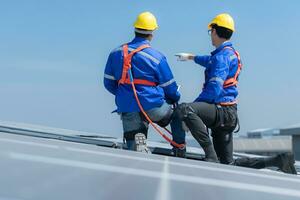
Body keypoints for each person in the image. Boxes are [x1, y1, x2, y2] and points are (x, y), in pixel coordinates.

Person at [175, 13, 297, 174]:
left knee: (185, 109)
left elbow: (214, 89)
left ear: (215, 31)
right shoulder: (228, 54)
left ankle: (211, 156)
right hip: (229, 115)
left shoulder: (221, 57)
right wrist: (191, 57)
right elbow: (208, 60)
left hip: (222, 112)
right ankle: (279, 160)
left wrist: (194, 109)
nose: (210, 35)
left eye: (210, 31)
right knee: (228, 164)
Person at [104, 11, 186, 154]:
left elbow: (108, 83)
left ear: (135, 29)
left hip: (127, 106)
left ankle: (136, 141)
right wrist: (174, 98)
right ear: (152, 33)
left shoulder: (115, 53)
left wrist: (125, 94)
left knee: (133, 147)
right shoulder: (156, 57)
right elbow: (171, 89)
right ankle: (179, 147)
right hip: (152, 106)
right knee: (178, 113)